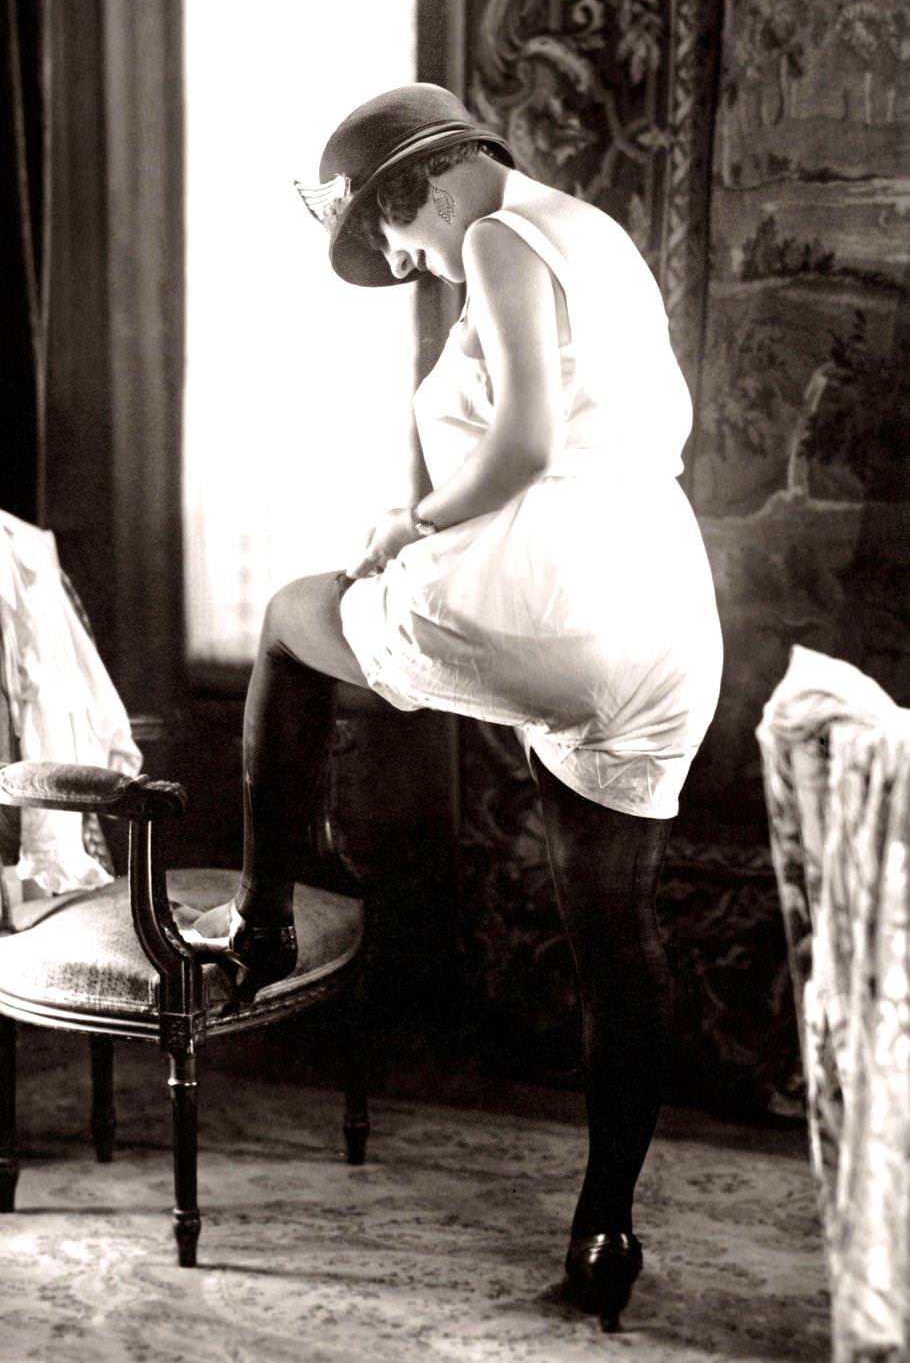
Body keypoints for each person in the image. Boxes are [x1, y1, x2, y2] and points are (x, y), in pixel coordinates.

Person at [185, 83, 723, 1331]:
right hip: (663, 607)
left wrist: (407, 520)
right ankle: (607, 1228)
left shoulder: (487, 235)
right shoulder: (593, 231)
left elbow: (527, 444)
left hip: (554, 583)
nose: (410, 264)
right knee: (613, 942)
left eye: (393, 241)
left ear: (409, 191)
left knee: (288, 617)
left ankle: (265, 918)